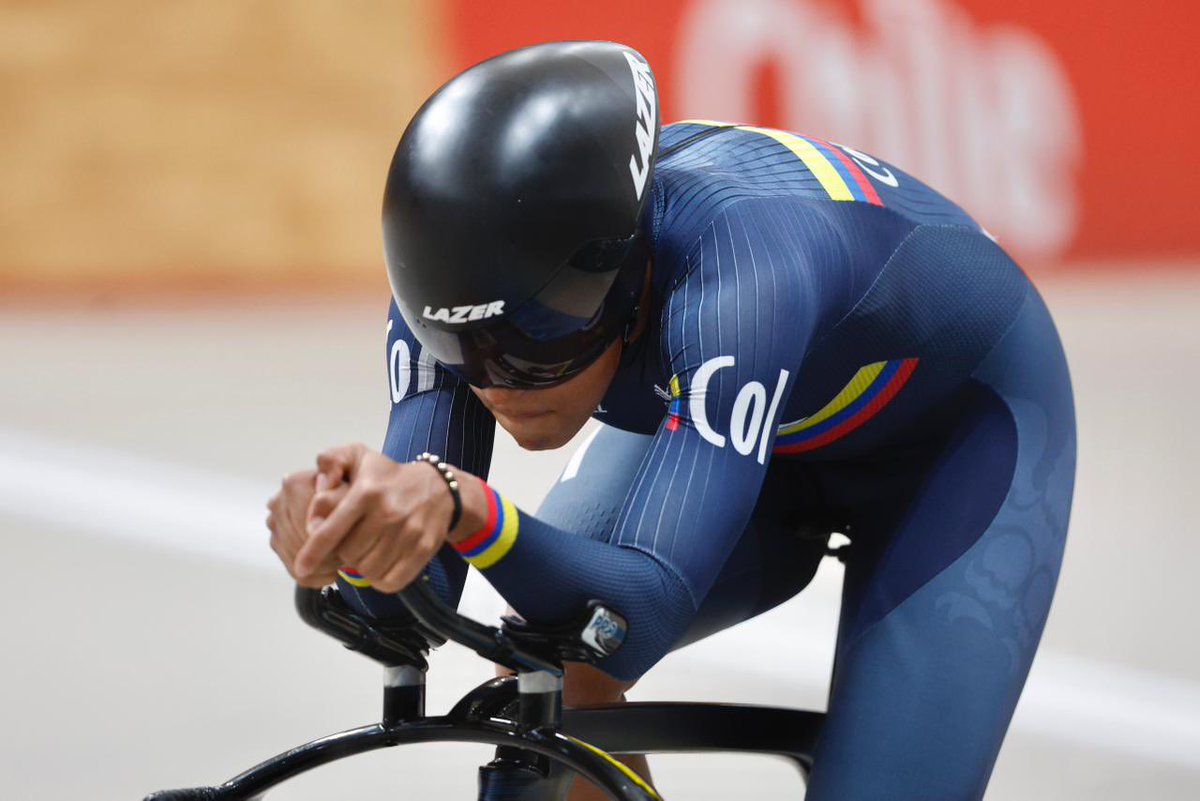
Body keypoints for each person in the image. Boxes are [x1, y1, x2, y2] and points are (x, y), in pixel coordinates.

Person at [266, 41, 1076, 801]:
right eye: (466, 357)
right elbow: (414, 603)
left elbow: (631, 619)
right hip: (739, 415)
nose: (499, 384)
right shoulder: (458, 297)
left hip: (954, 443)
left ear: (628, 282)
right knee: (545, 693)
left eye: (538, 345)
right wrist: (347, 535)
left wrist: (465, 505)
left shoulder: (740, 275)